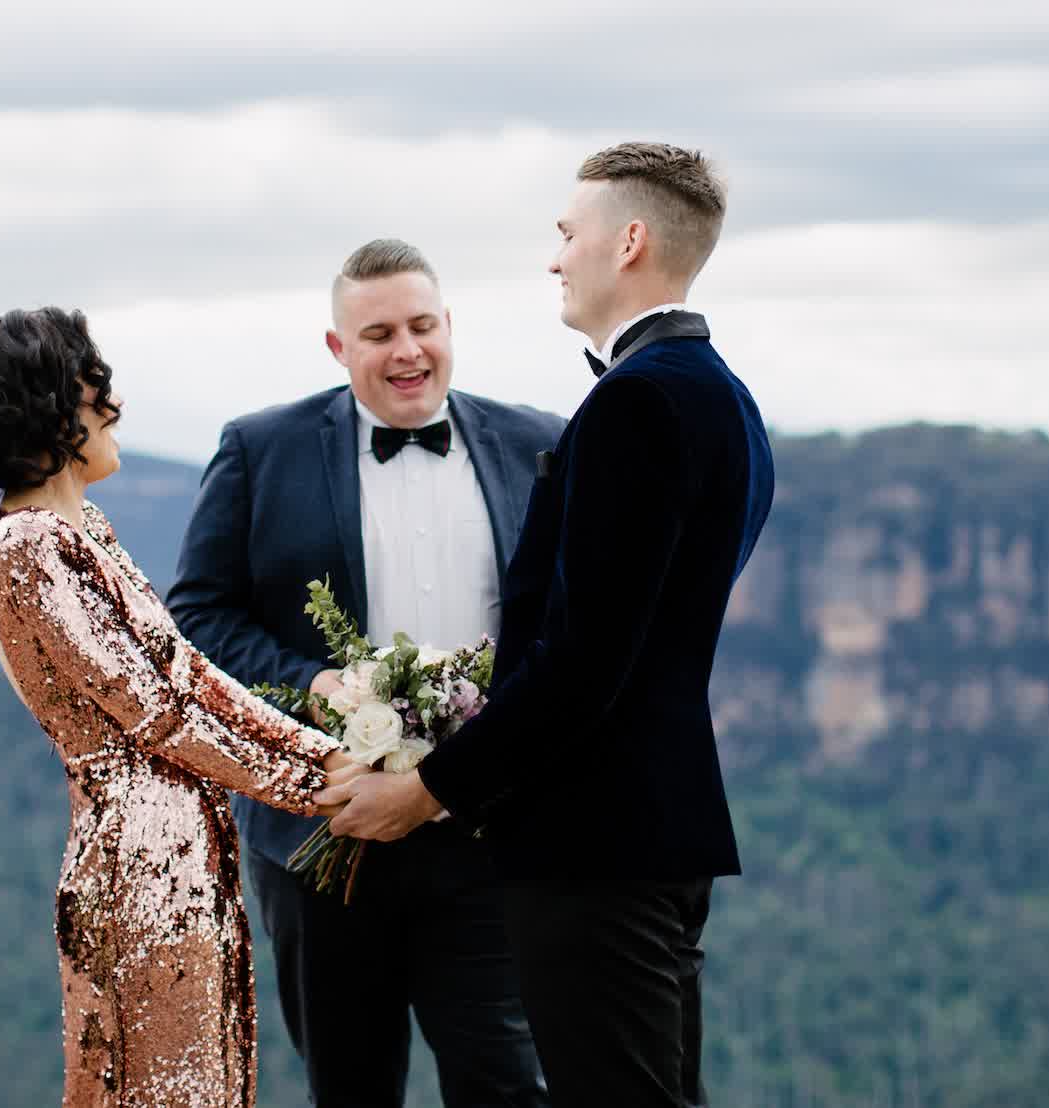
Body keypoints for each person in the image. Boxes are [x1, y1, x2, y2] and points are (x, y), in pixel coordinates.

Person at [321, 143, 776, 1108]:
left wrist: (428, 789)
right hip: (657, 827)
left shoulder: (637, 403)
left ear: (630, 242)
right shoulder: (726, 396)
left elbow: (586, 660)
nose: (557, 257)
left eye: (569, 234)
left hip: (593, 843)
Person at [0, 306, 361, 1108]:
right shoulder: (27, 547)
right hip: (136, 866)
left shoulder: (82, 526)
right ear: (52, 409)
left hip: (185, 847)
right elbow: (157, 712)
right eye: (97, 393)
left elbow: (189, 673)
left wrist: (322, 754)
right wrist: (321, 787)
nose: (114, 410)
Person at [167, 240, 560, 1106]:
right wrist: (315, 684)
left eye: (423, 326)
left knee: (507, 1085)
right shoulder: (261, 449)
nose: (407, 351)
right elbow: (195, 618)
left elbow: (570, 634)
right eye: (378, 333)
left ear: (450, 326)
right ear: (339, 348)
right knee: (350, 1089)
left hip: (488, 830)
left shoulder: (541, 445)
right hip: (322, 835)